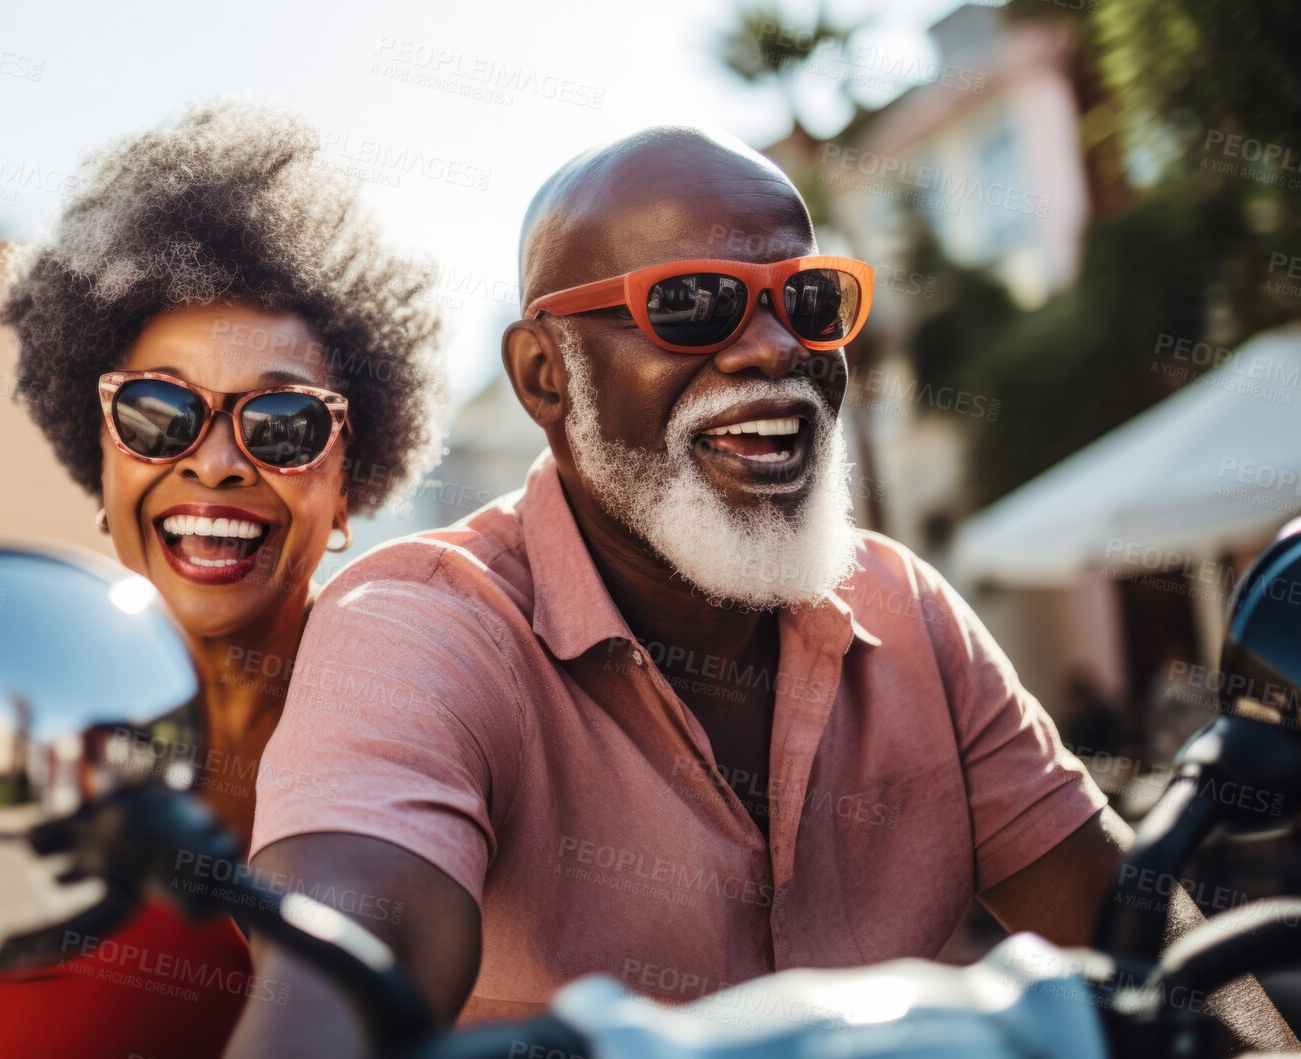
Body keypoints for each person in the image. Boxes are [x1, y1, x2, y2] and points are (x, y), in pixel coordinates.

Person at [227, 127, 1297, 1056]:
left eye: (808, 299)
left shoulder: (907, 615)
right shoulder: (422, 626)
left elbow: (1153, 960)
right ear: (544, 376)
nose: (773, 348)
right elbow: (346, 957)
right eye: (691, 307)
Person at [0, 101, 445, 1059]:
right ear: (100, 464)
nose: (217, 463)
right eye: (159, 413)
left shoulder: (435, 729)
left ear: (351, 481)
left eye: (282, 423)